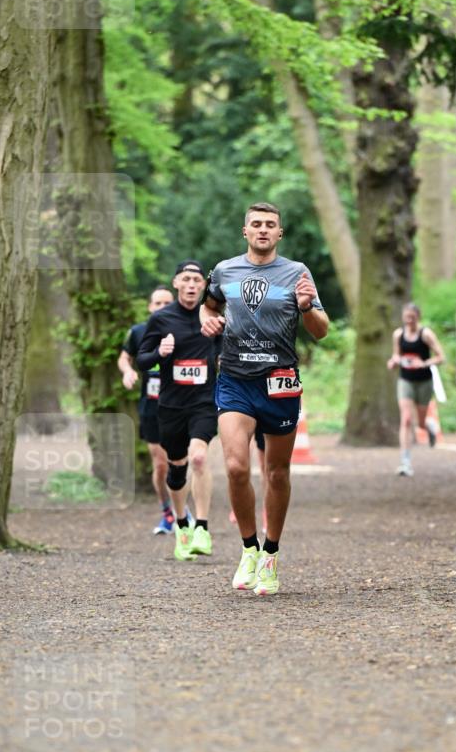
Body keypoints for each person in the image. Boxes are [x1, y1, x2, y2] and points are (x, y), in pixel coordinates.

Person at [200, 202, 329, 596]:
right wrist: (208, 321)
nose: (262, 229)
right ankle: (249, 548)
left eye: (270, 224)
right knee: (236, 467)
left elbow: (321, 330)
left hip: (280, 382)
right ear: (245, 231)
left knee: (276, 473)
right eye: (256, 224)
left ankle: (271, 553)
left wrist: (306, 308)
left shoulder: (297, 273)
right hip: (235, 380)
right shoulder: (224, 271)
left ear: (279, 233)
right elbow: (208, 307)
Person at [136, 261, 220, 561]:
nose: (192, 284)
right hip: (171, 405)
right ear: (176, 283)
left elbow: (226, 352)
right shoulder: (161, 319)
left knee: (199, 457)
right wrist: (160, 352)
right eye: (186, 279)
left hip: (204, 402)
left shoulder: (213, 316)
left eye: (197, 280)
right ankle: (182, 523)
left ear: (203, 286)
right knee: (177, 468)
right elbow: (141, 360)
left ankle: (202, 528)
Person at [118, 285, 176, 534]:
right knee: (161, 464)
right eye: (158, 303)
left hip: (180, 404)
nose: (162, 308)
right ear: (150, 307)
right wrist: (128, 371)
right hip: (151, 406)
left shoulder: (184, 329)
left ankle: (183, 512)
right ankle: (167, 512)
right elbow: (124, 357)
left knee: (182, 461)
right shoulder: (138, 332)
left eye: (167, 303)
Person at [387, 302, 446, 476]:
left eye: (412, 318)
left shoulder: (426, 334)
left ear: (418, 317)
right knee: (406, 419)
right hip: (405, 380)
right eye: (407, 318)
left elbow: (441, 357)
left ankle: (429, 426)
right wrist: (393, 361)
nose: (409, 321)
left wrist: (424, 363)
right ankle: (405, 462)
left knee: (419, 422)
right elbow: (396, 354)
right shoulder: (398, 334)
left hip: (424, 381)